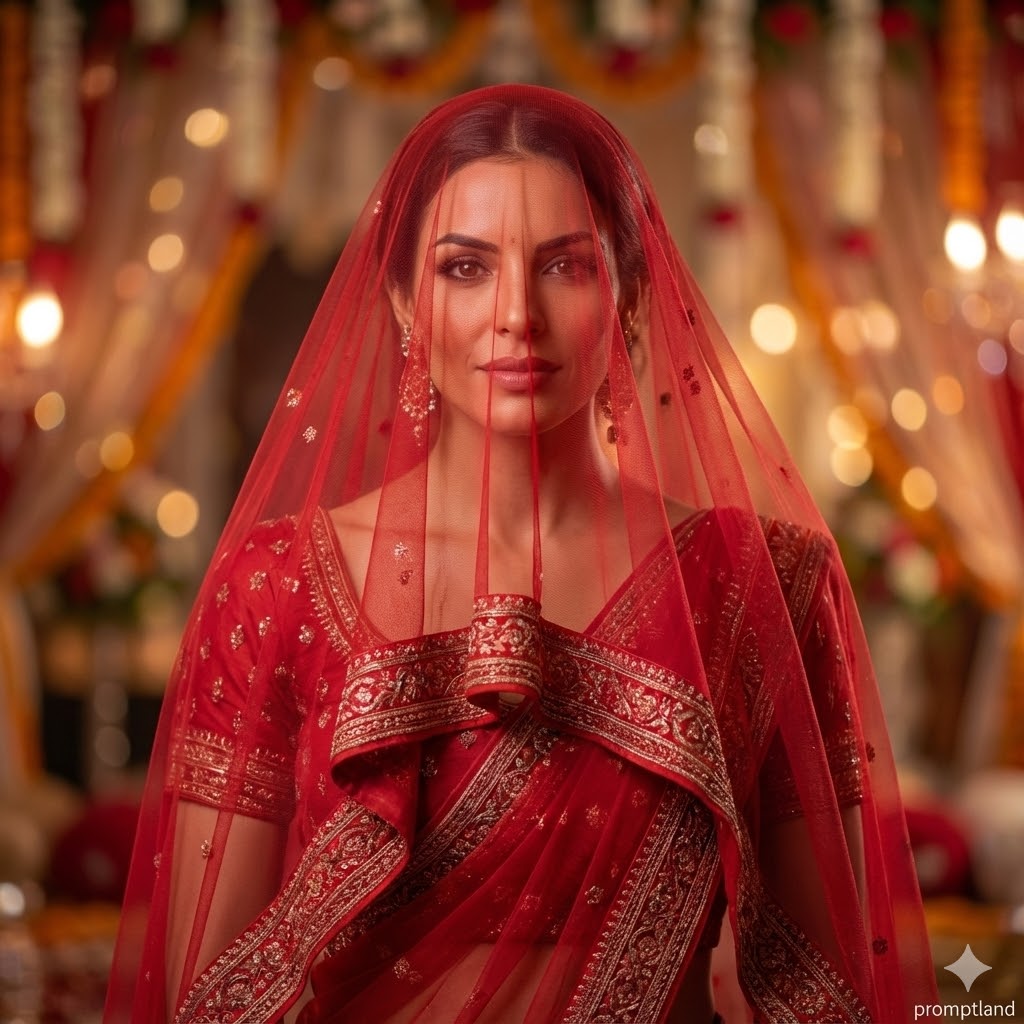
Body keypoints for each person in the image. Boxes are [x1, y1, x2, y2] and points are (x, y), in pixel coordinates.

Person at [103, 84, 937, 1023]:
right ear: (401, 301)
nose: (515, 315)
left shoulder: (763, 587)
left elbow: (826, 992)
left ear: (631, 295)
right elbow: (210, 998)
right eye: (465, 268)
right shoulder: (274, 586)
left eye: (566, 267)